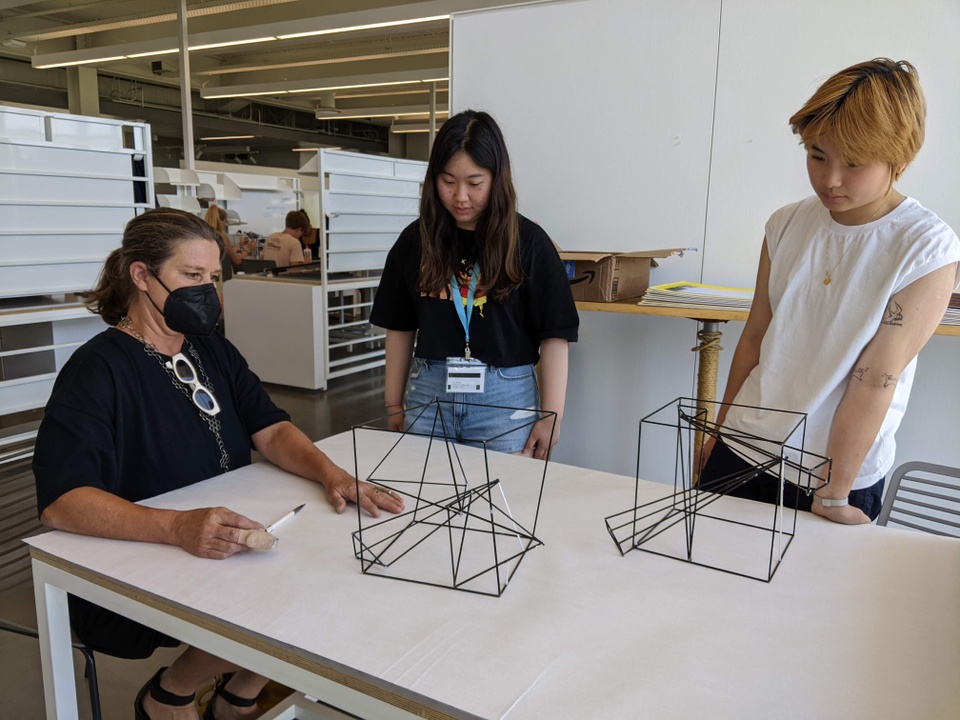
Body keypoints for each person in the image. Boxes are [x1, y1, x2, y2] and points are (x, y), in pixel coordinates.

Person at [32, 208, 404, 720]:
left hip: (220, 542)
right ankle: (171, 693)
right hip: (144, 559)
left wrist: (332, 474)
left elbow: (270, 429)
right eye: (191, 277)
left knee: (334, 572)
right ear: (142, 275)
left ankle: (239, 694)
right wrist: (178, 527)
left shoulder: (211, 349)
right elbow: (61, 503)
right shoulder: (96, 371)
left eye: (212, 278)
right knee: (298, 593)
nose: (207, 291)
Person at [699, 59, 960, 525]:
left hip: (829, 474)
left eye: (854, 163)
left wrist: (836, 494)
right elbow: (756, 337)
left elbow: (877, 376)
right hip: (744, 446)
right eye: (817, 155)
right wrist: (718, 435)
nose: (830, 179)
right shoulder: (785, 224)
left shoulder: (926, 246)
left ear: (899, 160)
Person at [370, 110, 579, 458]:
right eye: (448, 181)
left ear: (497, 178)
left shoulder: (527, 242)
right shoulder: (414, 242)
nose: (460, 196)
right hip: (429, 393)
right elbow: (400, 326)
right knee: (426, 501)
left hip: (505, 398)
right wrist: (393, 400)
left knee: (502, 502)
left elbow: (555, 335)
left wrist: (553, 416)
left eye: (475, 182)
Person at [203, 204, 255, 281]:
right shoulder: (222, 237)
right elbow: (236, 260)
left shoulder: (205, 235)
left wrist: (239, 245)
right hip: (222, 276)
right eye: (225, 222)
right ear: (219, 221)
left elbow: (225, 254)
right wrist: (248, 250)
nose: (226, 225)